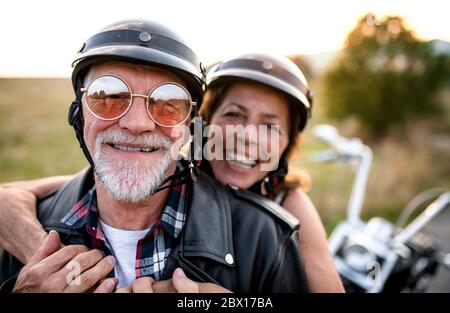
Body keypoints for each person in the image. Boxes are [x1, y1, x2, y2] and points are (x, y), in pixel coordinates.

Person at [0, 19, 309, 293]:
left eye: (168, 101)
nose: (137, 124)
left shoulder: (269, 235)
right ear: (80, 116)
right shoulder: (28, 226)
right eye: (108, 95)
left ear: (189, 126)